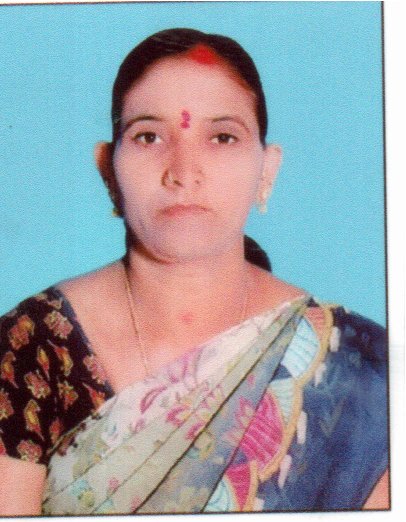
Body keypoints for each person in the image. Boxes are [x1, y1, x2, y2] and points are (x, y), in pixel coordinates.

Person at [0, 28, 388, 515]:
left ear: (267, 170)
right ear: (108, 169)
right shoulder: (32, 346)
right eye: (148, 136)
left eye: (222, 137)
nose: (184, 171)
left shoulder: (359, 368)